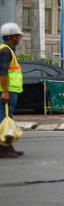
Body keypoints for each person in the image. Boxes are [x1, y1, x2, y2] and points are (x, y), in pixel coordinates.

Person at [0, 22, 24, 158]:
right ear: (12, 36)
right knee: (3, 119)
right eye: (17, 35)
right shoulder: (5, 51)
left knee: (7, 119)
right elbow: (2, 72)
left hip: (11, 90)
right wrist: (5, 91)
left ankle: (8, 147)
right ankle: (2, 148)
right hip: (6, 91)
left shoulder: (8, 50)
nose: (19, 38)